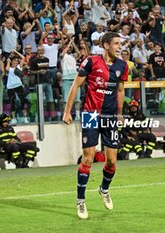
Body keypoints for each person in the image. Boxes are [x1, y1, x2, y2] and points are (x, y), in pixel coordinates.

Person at [63, 32, 128, 219]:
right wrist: (67, 112)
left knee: (112, 161)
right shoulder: (91, 62)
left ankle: (104, 189)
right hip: (91, 114)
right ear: (106, 45)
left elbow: (121, 90)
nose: (119, 47)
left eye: (120, 43)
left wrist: (120, 113)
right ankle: (81, 201)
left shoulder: (122, 66)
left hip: (109, 116)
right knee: (88, 158)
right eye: (116, 43)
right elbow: (75, 85)